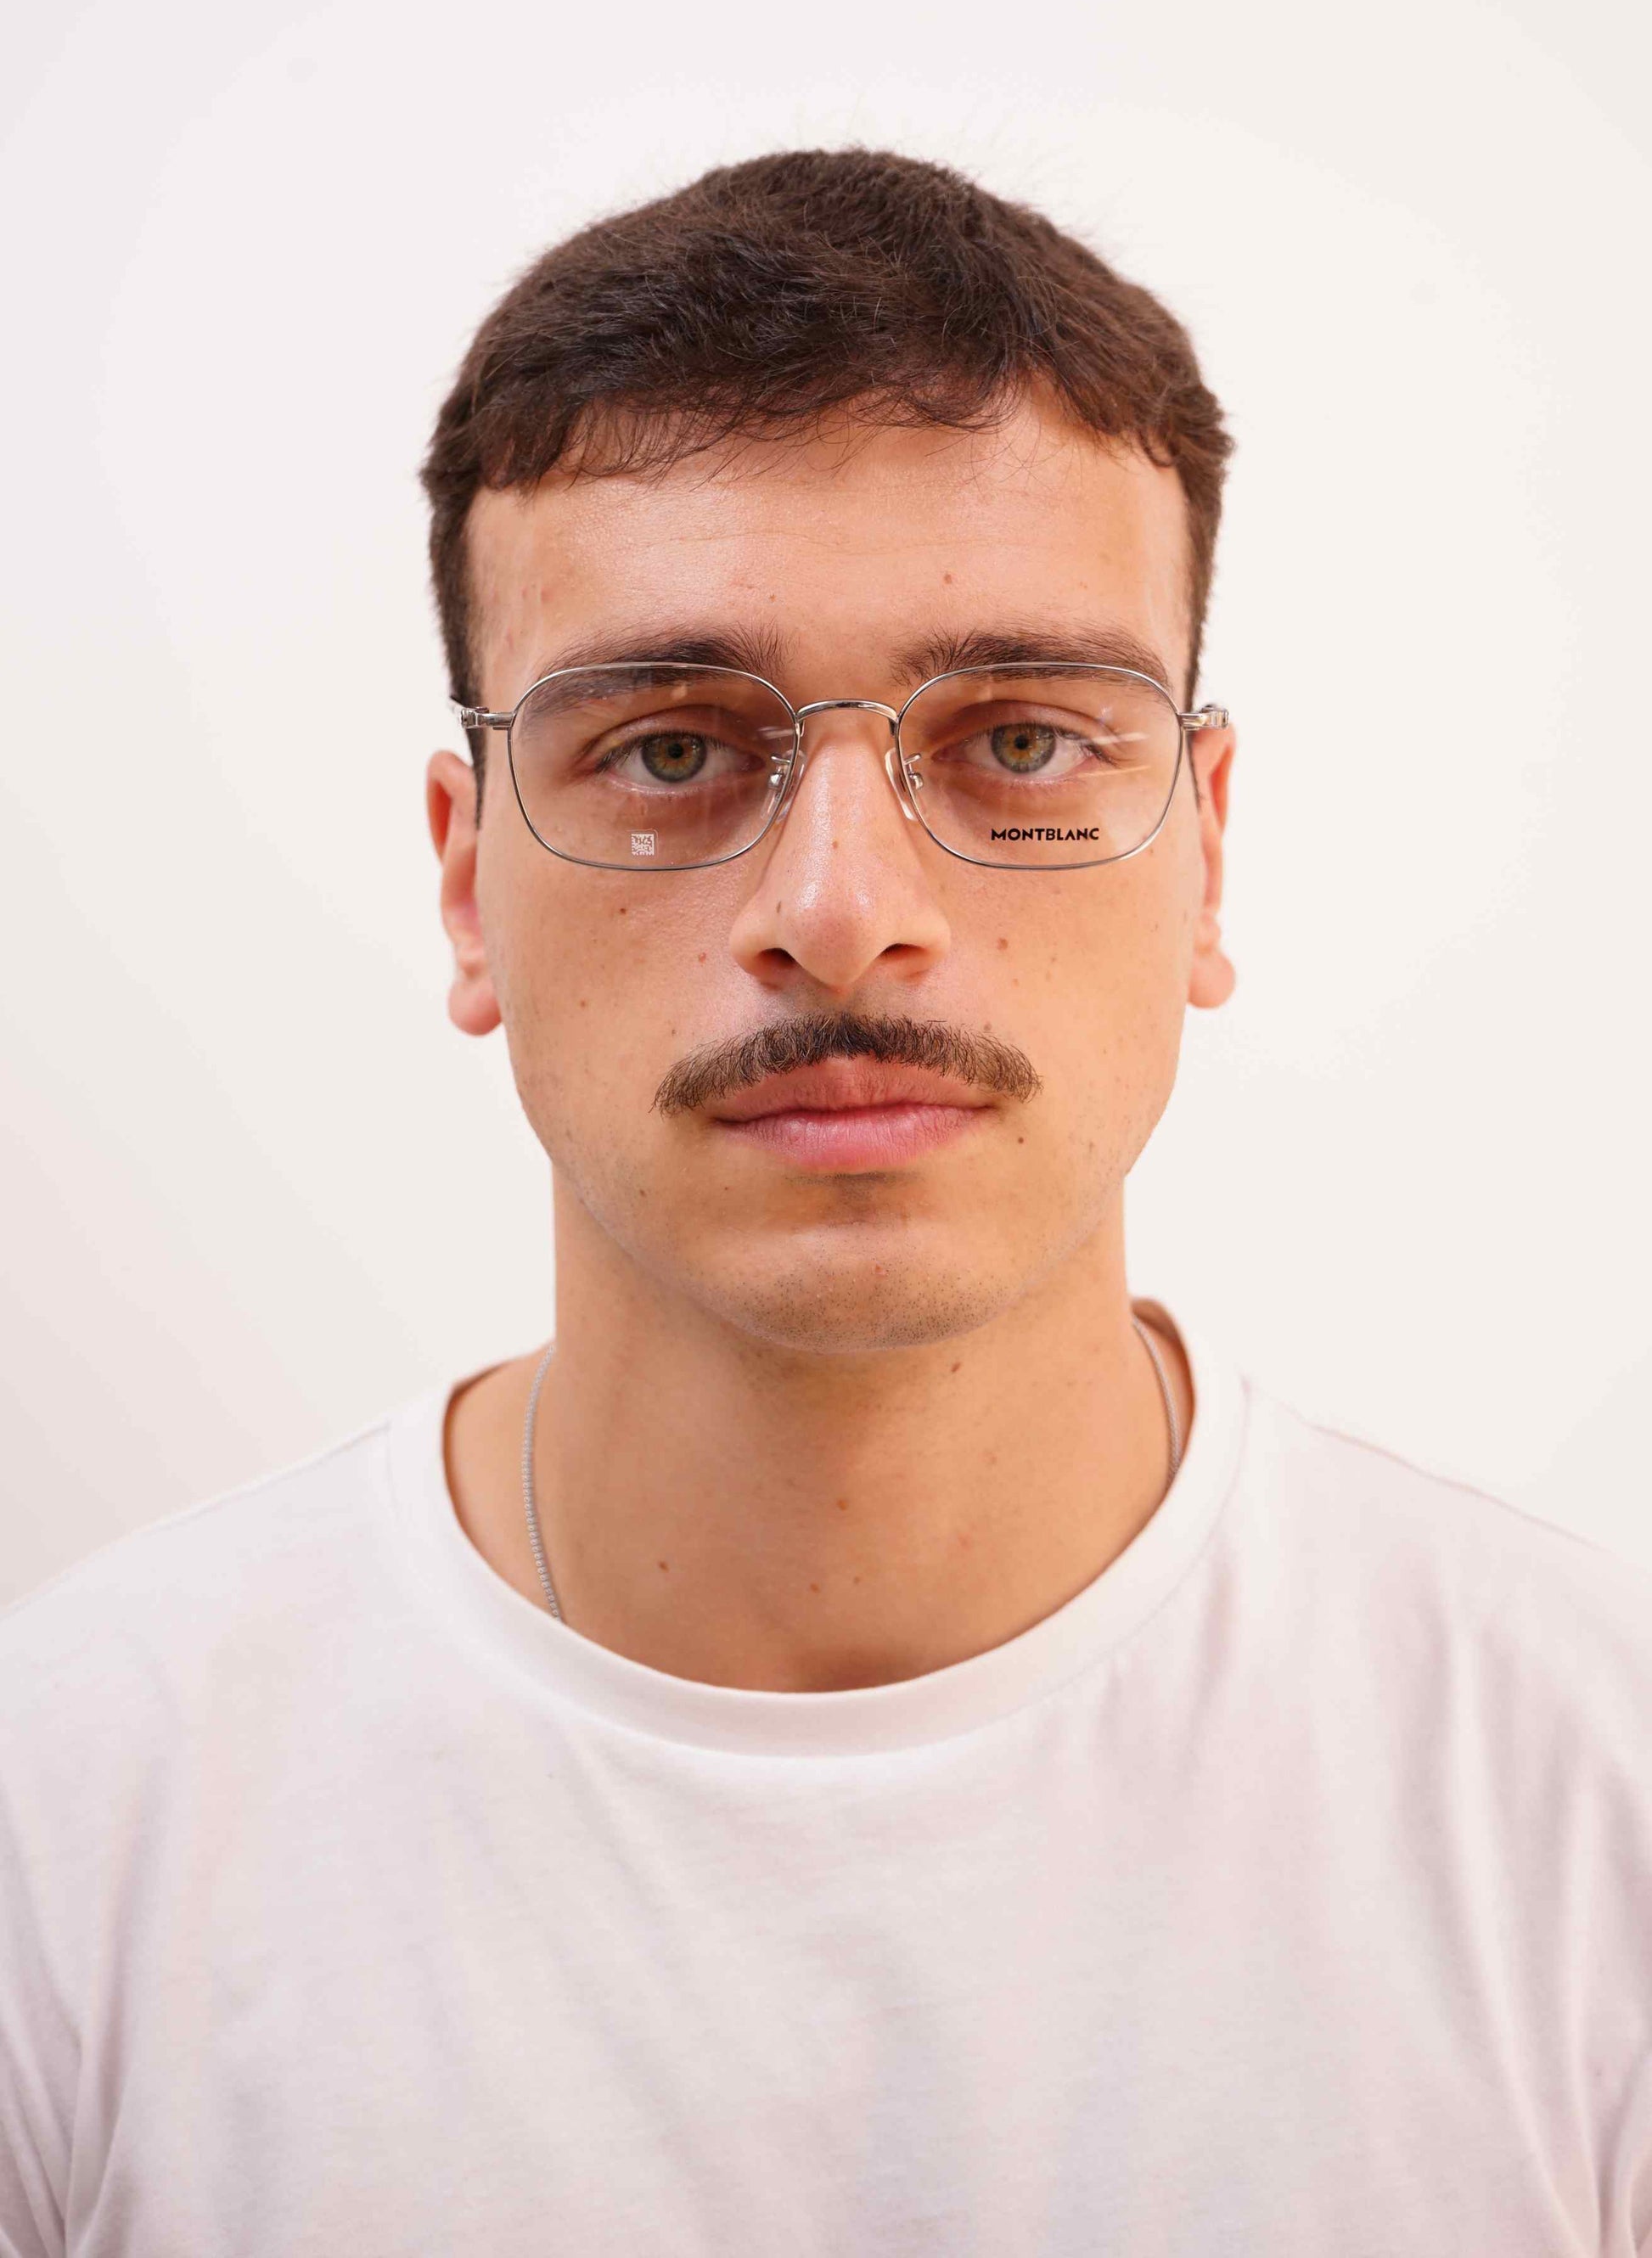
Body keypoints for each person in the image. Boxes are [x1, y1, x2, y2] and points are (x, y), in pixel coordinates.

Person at [2, 149, 1649, 2256]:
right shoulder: (69, 1826)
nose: (844, 909)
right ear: (466, 877)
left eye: (1021, 740)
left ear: (1206, 851)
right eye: (669, 749)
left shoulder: (1591, 1803)